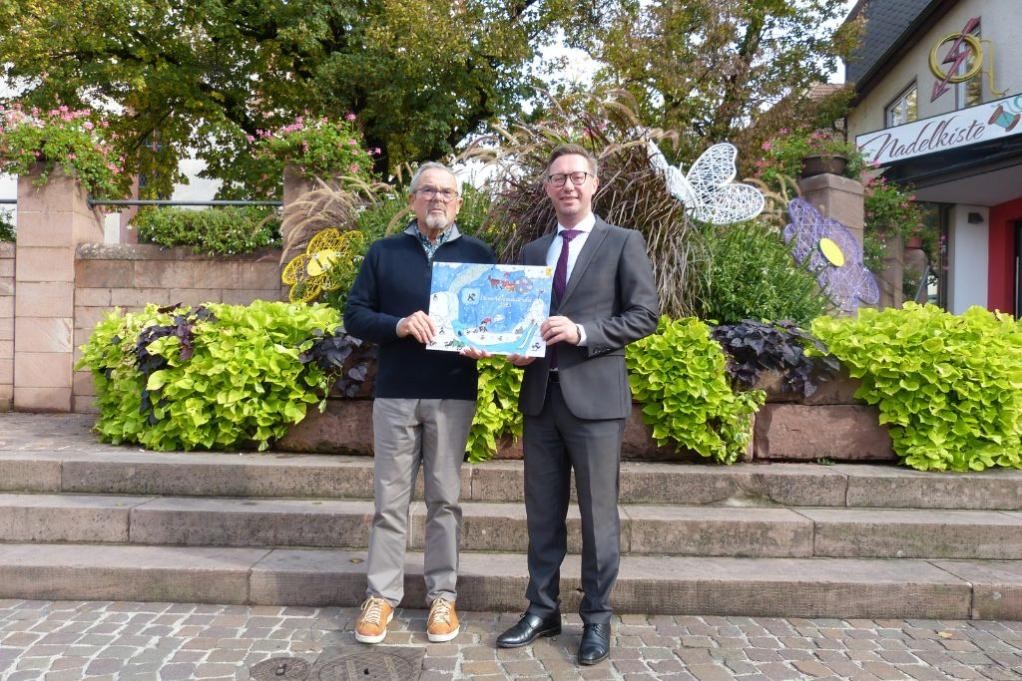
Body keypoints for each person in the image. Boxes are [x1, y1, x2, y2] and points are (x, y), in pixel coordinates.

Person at [494, 144, 659, 665]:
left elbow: (644, 315)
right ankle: (541, 610)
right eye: (559, 177)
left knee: (598, 517)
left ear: (595, 184)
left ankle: (597, 618)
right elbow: (521, 326)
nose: (568, 185)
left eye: (578, 176)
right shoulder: (532, 252)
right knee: (541, 515)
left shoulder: (623, 242)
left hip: (595, 403)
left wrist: (584, 331)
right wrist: (513, 349)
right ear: (547, 187)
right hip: (541, 399)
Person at [343, 161, 495, 644]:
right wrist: (398, 325)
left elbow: (495, 320)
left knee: (445, 501)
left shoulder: (478, 255)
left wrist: (486, 341)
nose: (437, 199)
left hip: (453, 392)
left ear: (459, 203)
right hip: (396, 392)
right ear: (412, 200)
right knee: (390, 502)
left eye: (447, 192)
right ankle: (381, 597)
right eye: (428, 191)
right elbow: (354, 315)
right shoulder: (384, 253)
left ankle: (442, 598)